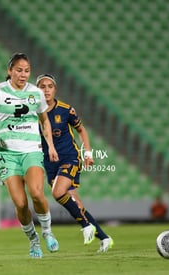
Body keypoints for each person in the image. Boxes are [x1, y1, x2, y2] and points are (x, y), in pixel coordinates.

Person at [0, 53, 59, 258]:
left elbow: (44, 121)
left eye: (27, 70)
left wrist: (50, 145)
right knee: (21, 204)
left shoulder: (36, 93)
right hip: (7, 153)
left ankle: (47, 232)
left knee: (37, 193)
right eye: (19, 70)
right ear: (10, 71)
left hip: (31, 150)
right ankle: (33, 241)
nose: (23, 74)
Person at [36, 73, 114, 253]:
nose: (46, 90)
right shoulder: (34, 112)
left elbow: (81, 129)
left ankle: (86, 225)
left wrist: (87, 152)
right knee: (76, 204)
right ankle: (105, 238)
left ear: (55, 89)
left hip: (69, 158)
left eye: (50, 86)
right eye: (42, 86)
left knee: (57, 193)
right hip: (49, 163)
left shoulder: (66, 110)